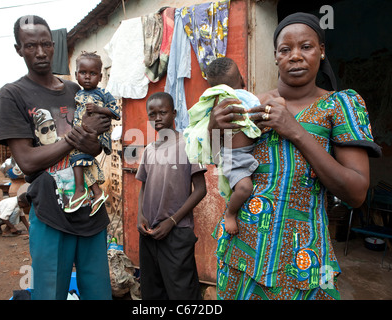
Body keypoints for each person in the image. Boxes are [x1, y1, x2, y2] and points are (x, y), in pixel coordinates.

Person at [208, 12, 381, 300]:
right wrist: (215, 128)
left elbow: (356, 193)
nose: (295, 56)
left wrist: (295, 130)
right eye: (285, 50)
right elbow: (220, 162)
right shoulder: (252, 104)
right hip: (243, 252)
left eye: (306, 47)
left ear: (322, 51)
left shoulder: (340, 105)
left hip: (305, 259)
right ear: (276, 56)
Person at [0, 15, 113, 300]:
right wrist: (77, 134)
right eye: (31, 45)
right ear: (18, 48)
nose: (41, 52)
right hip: (50, 212)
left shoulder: (76, 90)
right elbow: (28, 161)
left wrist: (93, 134)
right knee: (49, 293)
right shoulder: (12, 95)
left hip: (90, 211)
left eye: (46, 44)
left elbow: (93, 149)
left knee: (98, 292)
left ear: (54, 45)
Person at [136, 92, 207, 299]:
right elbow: (144, 187)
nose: (157, 118)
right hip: (149, 233)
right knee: (152, 291)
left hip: (176, 233)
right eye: (152, 114)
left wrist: (173, 221)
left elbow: (201, 189)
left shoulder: (188, 144)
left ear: (174, 113)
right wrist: (140, 215)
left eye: (163, 112)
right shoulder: (149, 149)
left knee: (182, 292)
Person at [185, 57, 262, 235]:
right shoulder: (230, 103)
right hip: (234, 156)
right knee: (244, 188)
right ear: (242, 78)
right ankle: (230, 213)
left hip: (240, 154)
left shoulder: (216, 105)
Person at [65, 51, 120, 215]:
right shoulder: (77, 95)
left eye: (93, 73)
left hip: (97, 135)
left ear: (100, 76)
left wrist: (99, 109)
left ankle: (80, 190)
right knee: (83, 162)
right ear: (76, 75)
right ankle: (96, 193)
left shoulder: (103, 94)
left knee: (76, 155)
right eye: (83, 73)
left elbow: (116, 112)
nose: (87, 77)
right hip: (82, 134)